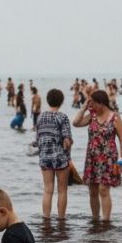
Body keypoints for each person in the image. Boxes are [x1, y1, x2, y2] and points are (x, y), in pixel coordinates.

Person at [73, 89, 122, 223]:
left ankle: (106, 221)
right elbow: (76, 123)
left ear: (102, 103)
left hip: (108, 158)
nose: (92, 106)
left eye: (93, 103)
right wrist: (84, 107)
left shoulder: (115, 117)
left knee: (104, 189)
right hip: (92, 158)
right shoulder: (92, 116)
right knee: (92, 190)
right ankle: (95, 220)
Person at [35, 89, 73, 219]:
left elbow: (37, 139)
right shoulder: (62, 117)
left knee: (47, 190)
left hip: (45, 157)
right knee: (62, 190)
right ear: (61, 101)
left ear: (48, 100)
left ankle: (46, 218)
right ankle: (61, 218)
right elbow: (67, 140)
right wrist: (69, 156)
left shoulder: (40, 117)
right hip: (60, 157)